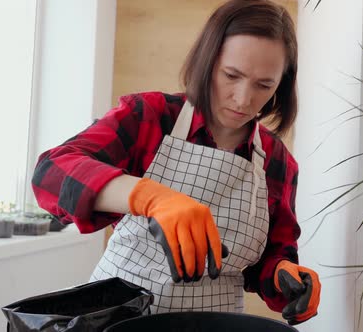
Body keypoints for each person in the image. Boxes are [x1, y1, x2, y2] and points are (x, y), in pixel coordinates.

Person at [31, 0, 320, 326]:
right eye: (231, 75)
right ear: (208, 62)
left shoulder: (277, 162)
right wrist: (149, 197)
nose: (243, 99)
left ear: (282, 84)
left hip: (216, 322)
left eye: (264, 85)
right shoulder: (149, 117)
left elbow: (270, 259)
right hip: (118, 318)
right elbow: (50, 174)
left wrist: (286, 277)